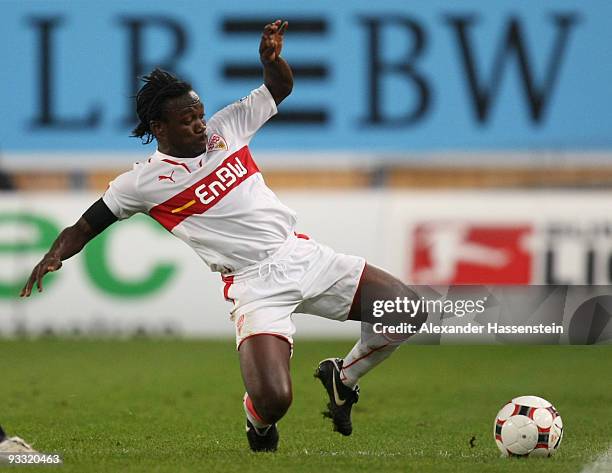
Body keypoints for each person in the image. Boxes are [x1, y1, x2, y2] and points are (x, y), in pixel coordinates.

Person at [20, 20, 425, 452]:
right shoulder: (141, 184)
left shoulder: (227, 128)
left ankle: (343, 377)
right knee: (275, 400)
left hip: (303, 256)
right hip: (254, 286)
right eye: (188, 119)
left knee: (407, 311)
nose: (200, 125)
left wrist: (272, 62)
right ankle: (259, 422)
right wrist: (53, 254)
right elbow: (86, 225)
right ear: (159, 128)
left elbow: (279, 90)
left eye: (199, 114)